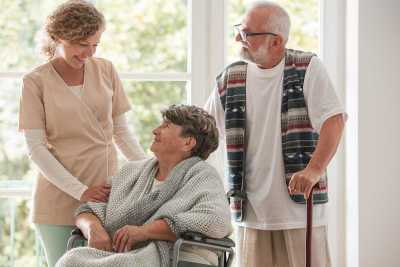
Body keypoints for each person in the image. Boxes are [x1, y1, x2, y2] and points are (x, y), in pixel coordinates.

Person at [205, 1, 346, 266]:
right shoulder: (230, 77)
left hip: (300, 209)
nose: (237, 38)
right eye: (239, 30)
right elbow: (204, 131)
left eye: (247, 33)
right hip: (249, 210)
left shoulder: (307, 67)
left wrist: (314, 170)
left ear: (276, 41)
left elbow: (333, 120)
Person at [18, 1, 146, 266]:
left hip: (106, 196)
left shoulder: (106, 70)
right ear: (57, 38)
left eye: (95, 45)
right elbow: (36, 149)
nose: (89, 53)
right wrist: (81, 191)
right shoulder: (35, 82)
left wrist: (151, 171)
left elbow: (122, 132)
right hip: (58, 198)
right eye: (81, 44)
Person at [55, 104, 232, 267]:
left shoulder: (203, 176)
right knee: (71, 260)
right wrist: (93, 228)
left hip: (180, 255)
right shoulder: (132, 172)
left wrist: (146, 231)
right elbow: (88, 210)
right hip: (125, 252)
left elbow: (215, 221)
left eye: (166, 126)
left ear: (188, 142)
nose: (155, 130)